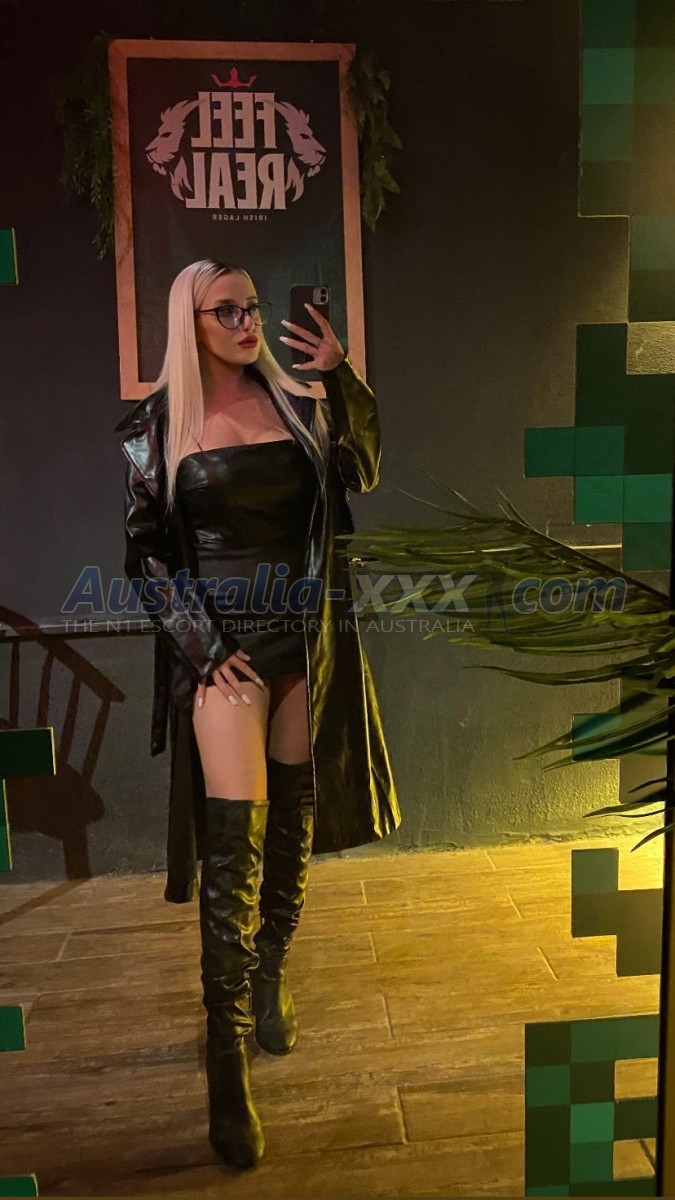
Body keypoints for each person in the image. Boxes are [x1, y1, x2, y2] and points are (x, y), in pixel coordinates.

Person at [115, 259, 401, 1168]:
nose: (246, 321)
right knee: (233, 848)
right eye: (226, 310)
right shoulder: (155, 429)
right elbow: (147, 558)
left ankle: (270, 965)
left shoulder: (296, 405)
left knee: (291, 821)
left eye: (251, 306)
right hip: (225, 653)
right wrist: (203, 649)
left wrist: (341, 376)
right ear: (190, 321)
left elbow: (362, 470)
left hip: (302, 643)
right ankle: (225, 1053)